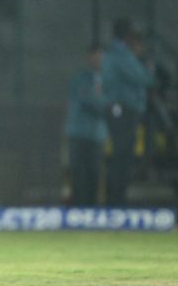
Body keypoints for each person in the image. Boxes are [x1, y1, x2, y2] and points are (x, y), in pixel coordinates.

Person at [102, 19, 154, 206]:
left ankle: (116, 200)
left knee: (122, 155)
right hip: (122, 109)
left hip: (120, 109)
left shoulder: (115, 53)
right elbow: (144, 79)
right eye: (134, 36)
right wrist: (142, 61)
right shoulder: (121, 54)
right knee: (122, 156)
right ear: (128, 36)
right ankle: (116, 202)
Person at [64, 43, 108, 206]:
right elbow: (90, 101)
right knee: (79, 175)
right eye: (95, 56)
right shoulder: (80, 79)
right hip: (78, 134)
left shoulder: (107, 79)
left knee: (94, 175)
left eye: (101, 57)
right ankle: (79, 212)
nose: (98, 60)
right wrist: (110, 107)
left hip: (97, 135)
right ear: (88, 58)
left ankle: (92, 212)